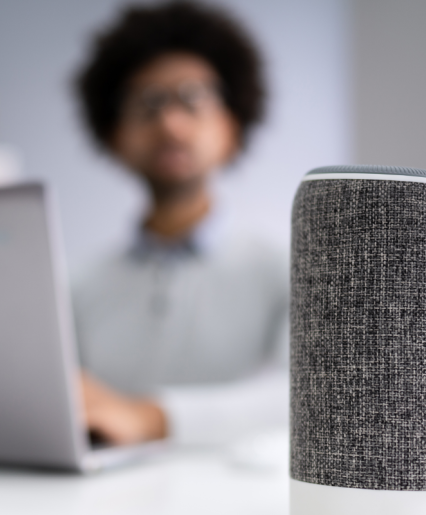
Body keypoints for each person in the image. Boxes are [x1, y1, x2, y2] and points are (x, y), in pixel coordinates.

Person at [73, 1, 289, 447]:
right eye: (147, 104)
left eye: (194, 98)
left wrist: (149, 418)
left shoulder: (288, 272)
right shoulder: (78, 286)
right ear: (114, 134)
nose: (171, 123)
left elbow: (312, 398)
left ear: (232, 124)